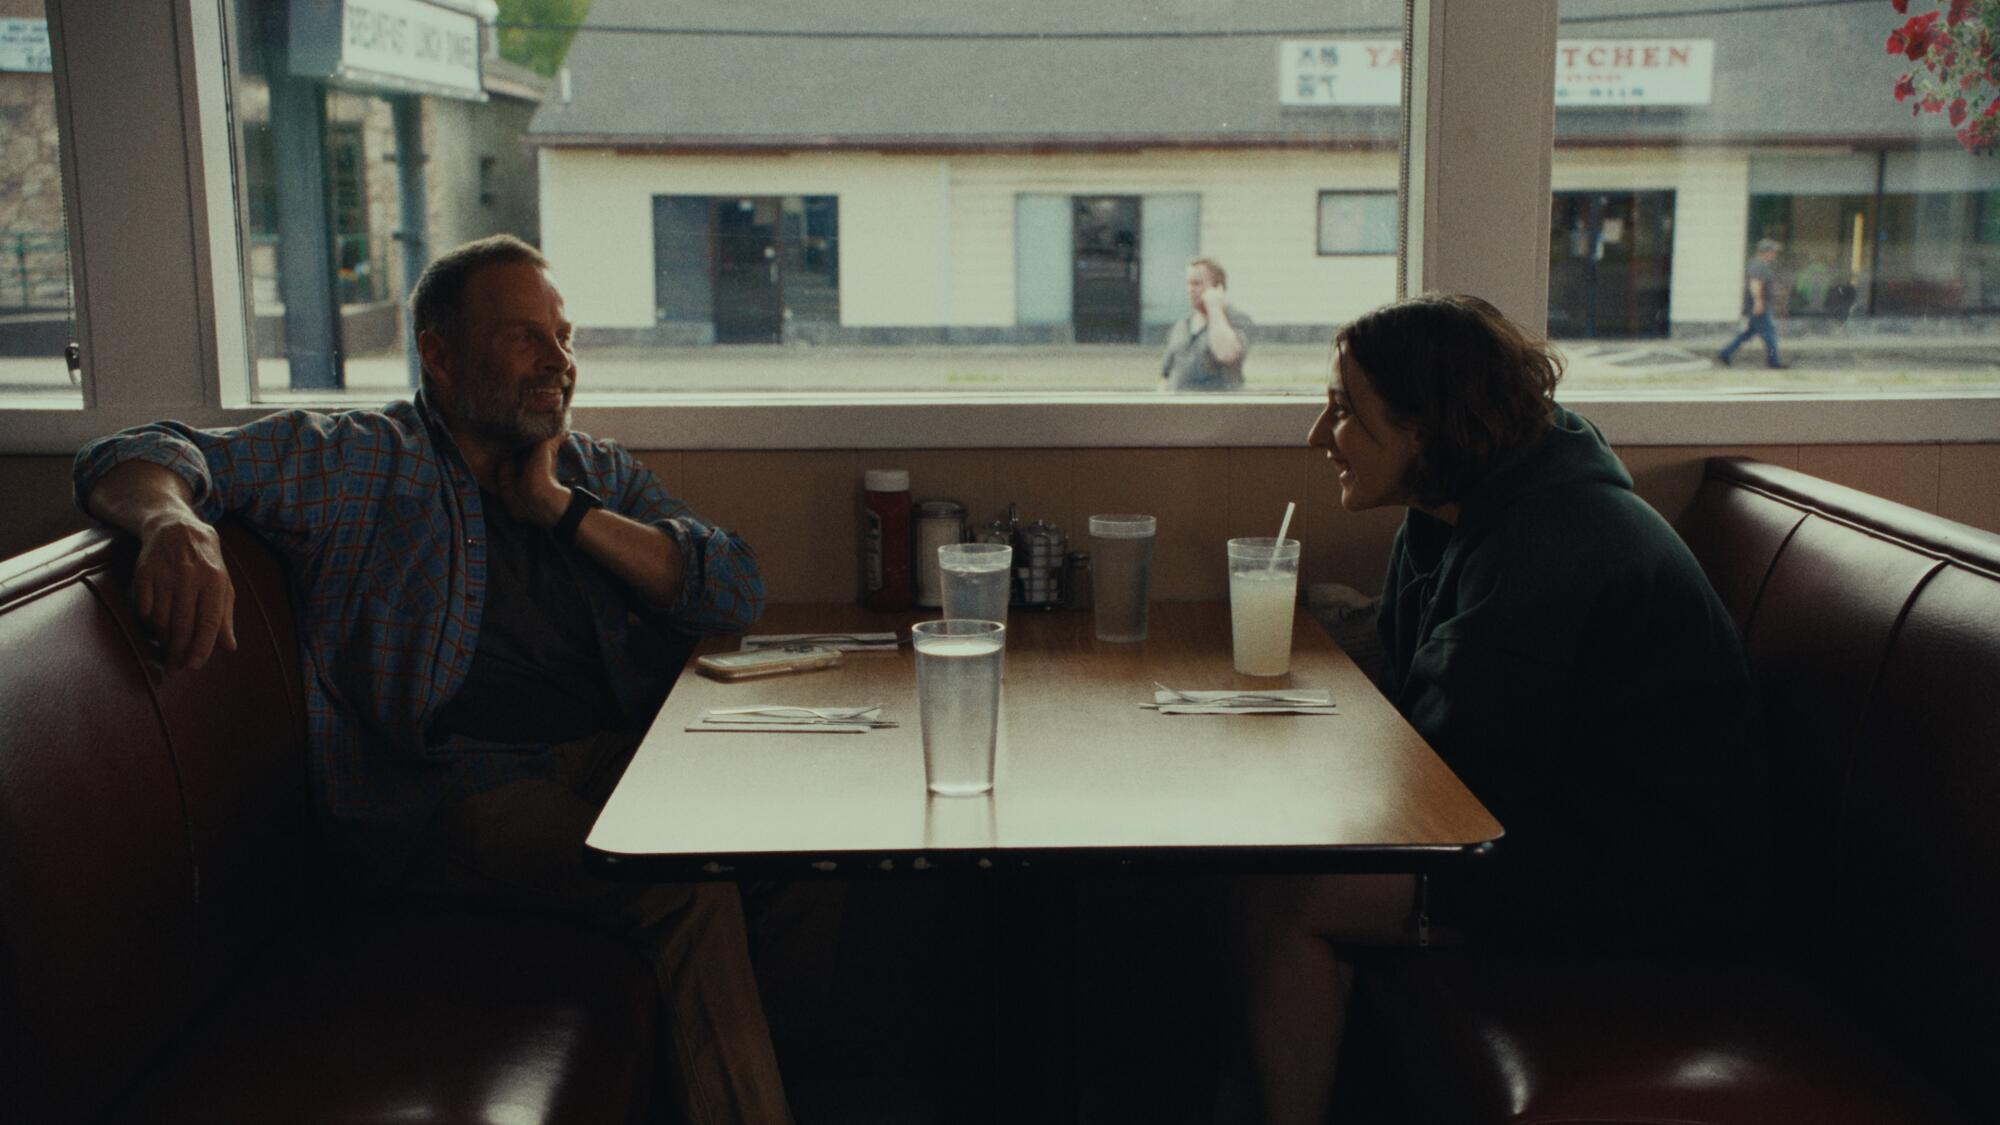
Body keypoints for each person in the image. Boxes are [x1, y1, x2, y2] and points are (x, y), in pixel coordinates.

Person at [73, 234, 825, 1125]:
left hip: (600, 761)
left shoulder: (590, 470)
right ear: (439, 354)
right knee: (682, 880)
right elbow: (135, 449)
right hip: (444, 800)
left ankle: (729, 1091)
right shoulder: (363, 461)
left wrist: (561, 509)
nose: (559, 362)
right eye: (524, 339)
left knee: (797, 842)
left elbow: (733, 584)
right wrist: (171, 523)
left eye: (564, 336)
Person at [1220, 293, 1768, 1125]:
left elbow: (1446, 788)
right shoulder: (1456, 514)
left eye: (1344, 411)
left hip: (1646, 885)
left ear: (1423, 430)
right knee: (1250, 852)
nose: (1318, 434)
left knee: (1278, 892)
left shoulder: (1551, 542)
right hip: (1546, 827)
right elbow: (1425, 714)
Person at [1161, 255, 1253, 391]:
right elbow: (1165, 374)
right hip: (1179, 409)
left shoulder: (1237, 320)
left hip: (1216, 409)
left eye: (1196, 283)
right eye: (1188, 283)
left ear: (1217, 287)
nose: (1190, 289)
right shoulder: (1182, 325)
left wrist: (1214, 308)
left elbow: (1226, 354)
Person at [1717, 237, 1787, 369]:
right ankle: (1774, 362)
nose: (1774, 254)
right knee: (1769, 333)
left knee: (1749, 333)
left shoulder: (1758, 264)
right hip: (1759, 306)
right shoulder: (1759, 265)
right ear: (1765, 252)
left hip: (1758, 305)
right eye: (1773, 252)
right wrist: (1758, 302)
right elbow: (1755, 284)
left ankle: (1725, 352)